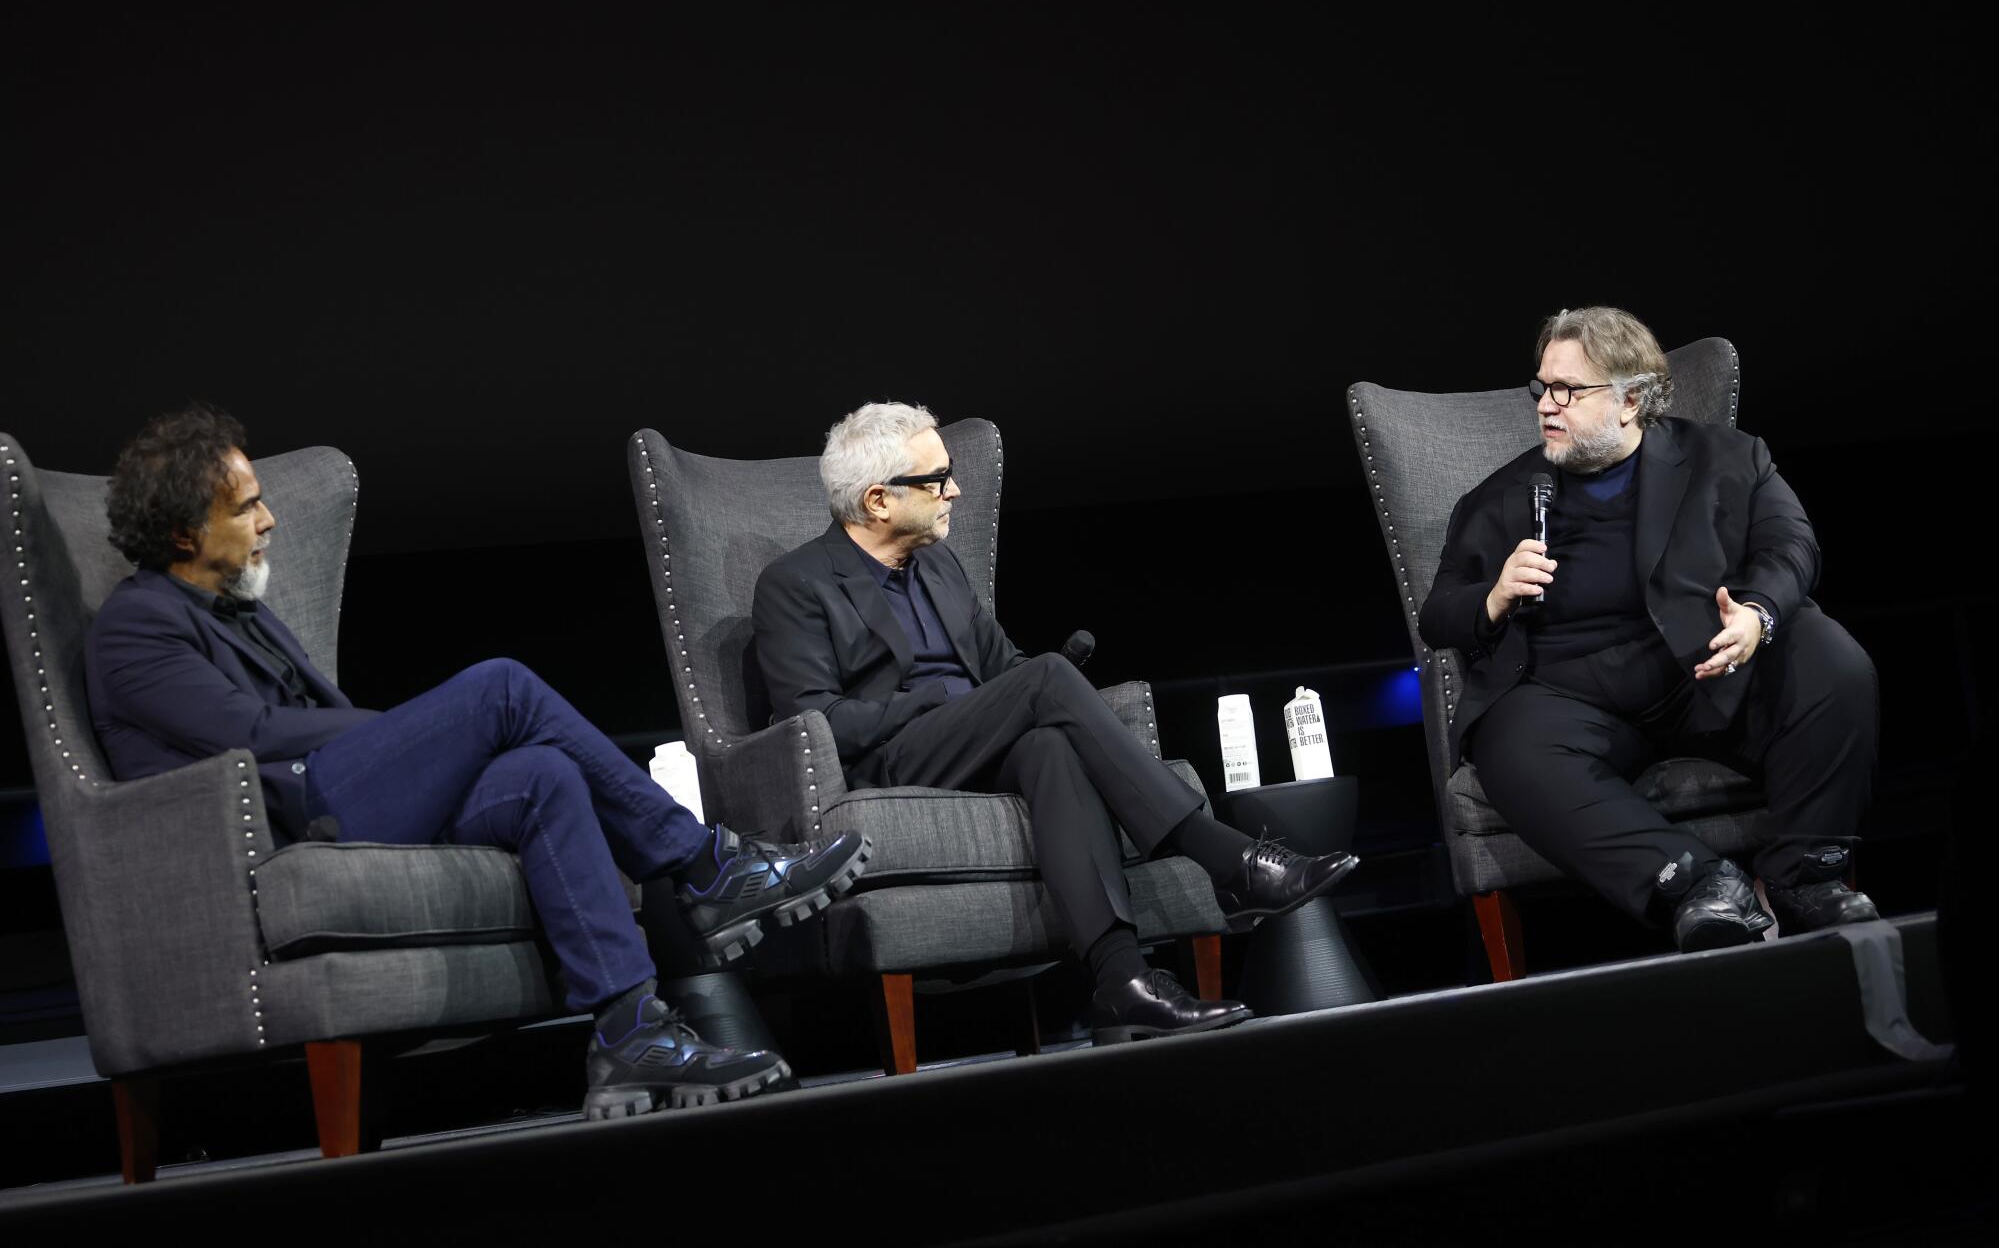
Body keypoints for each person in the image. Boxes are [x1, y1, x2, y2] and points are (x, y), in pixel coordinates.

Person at [85, 405, 872, 1116]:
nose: (269, 518)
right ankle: (705, 866)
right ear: (185, 532)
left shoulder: (237, 607)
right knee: (499, 689)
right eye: (246, 505)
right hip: (289, 816)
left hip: (332, 791)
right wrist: (414, 732)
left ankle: (631, 1034)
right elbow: (254, 732)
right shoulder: (135, 628)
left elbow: (312, 719)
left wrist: (413, 741)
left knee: (544, 775)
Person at [752, 401, 1358, 1044]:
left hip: (983, 747)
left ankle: (1123, 981)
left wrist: (1036, 697)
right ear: (878, 500)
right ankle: (1228, 861)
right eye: (936, 480)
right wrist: (932, 703)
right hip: (894, 757)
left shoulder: (940, 565)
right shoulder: (796, 584)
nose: (953, 489)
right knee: (1043, 679)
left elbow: (1004, 667)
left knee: (1051, 747)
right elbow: (813, 721)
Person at [1419, 307, 1880, 950]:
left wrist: (1757, 614)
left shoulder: (1727, 459)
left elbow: (1790, 547)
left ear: (1632, 399)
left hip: (1705, 669)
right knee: (1508, 747)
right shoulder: (1498, 499)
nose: (1546, 406)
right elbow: (1437, 614)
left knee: (1831, 658)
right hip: (1569, 694)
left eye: (1568, 391)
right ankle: (1697, 887)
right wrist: (1493, 597)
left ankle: (1807, 875)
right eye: (1541, 387)